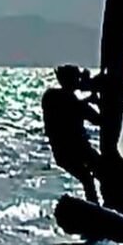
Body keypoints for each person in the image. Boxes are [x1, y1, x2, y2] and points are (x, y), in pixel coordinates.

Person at [41, 65, 103, 204]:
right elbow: (98, 119)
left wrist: (90, 96)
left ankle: (98, 207)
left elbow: (76, 107)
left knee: (92, 176)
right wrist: (96, 98)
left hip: (67, 151)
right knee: (92, 177)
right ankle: (97, 208)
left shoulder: (52, 96)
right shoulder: (62, 99)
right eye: (76, 78)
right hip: (74, 150)